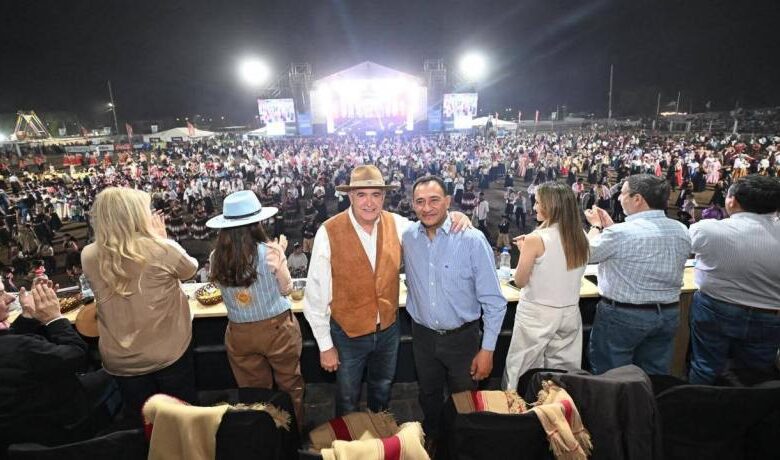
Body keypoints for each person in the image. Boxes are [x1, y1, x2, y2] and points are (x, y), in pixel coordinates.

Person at [303, 165, 471, 416]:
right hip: (348, 335)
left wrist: (454, 216)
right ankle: (349, 439)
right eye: (361, 195)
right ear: (350, 196)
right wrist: (325, 345)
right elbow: (315, 295)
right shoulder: (328, 232)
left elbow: (431, 225)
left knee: (382, 389)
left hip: (388, 331)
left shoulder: (399, 224)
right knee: (347, 397)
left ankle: (380, 429)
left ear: (384, 197)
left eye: (376, 195)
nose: (369, 202)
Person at [402, 175, 506, 445]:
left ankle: (463, 446)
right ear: (412, 205)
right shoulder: (408, 237)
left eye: (434, 200)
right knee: (428, 395)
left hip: (463, 340)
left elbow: (494, 301)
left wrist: (487, 350)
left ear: (448, 201)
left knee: (465, 401)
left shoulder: (472, 240)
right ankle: (435, 441)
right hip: (422, 337)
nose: (427, 208)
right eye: (420, 202)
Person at [81, 187, 198, 425]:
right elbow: (190, 270)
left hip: (120, 360)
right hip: (168, 353)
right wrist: (162, 238)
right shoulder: (162, 248)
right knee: (183, 418)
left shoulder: (88, 255)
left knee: (143, 421)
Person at [207, 190, 305, 427]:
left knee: (255, 393)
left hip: (239, 333)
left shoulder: (215, 256)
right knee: (290, 385)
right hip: (277, 329)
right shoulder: (271, 251)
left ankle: (263, 435)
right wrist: (280, 252)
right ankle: (294, 433)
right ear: (257, 223)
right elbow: (286, 289)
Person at [584, 174, 691, 375]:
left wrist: (596, 226)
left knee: (613, 375)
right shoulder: (681, 230)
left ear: (637, 199)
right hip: (667, 313)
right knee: (654, 375)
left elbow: (585, 254)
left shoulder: (621, 234)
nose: (618, 198)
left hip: (623, 315)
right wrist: (610, 228)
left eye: (623, 193)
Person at [0, 281, 119, 448]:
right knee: (118, 367)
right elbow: (77, 355)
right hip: (58, 420)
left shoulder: (12, 345)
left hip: (15, 427)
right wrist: (54, 319)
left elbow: (12, 345)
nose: (10, 298)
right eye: (1, 294)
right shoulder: (20, 347)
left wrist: (28, 314)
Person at [687, 175, 780, 384]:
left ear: (732, 201)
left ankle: (701, 403)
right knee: (757, 375)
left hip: (714, 309)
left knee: (706, 367)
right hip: (770, 315)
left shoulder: (708, 229)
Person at [503, 182, 589, 389]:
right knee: (563, 372)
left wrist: (525, 251)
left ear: (551, 206)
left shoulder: (535, 239)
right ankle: (558, 405)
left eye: (538, 202)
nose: (534, 207)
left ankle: (518, 407)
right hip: (569, 313)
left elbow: (520, 281)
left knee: (521, 368)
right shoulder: (581, 236)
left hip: (537, 313)